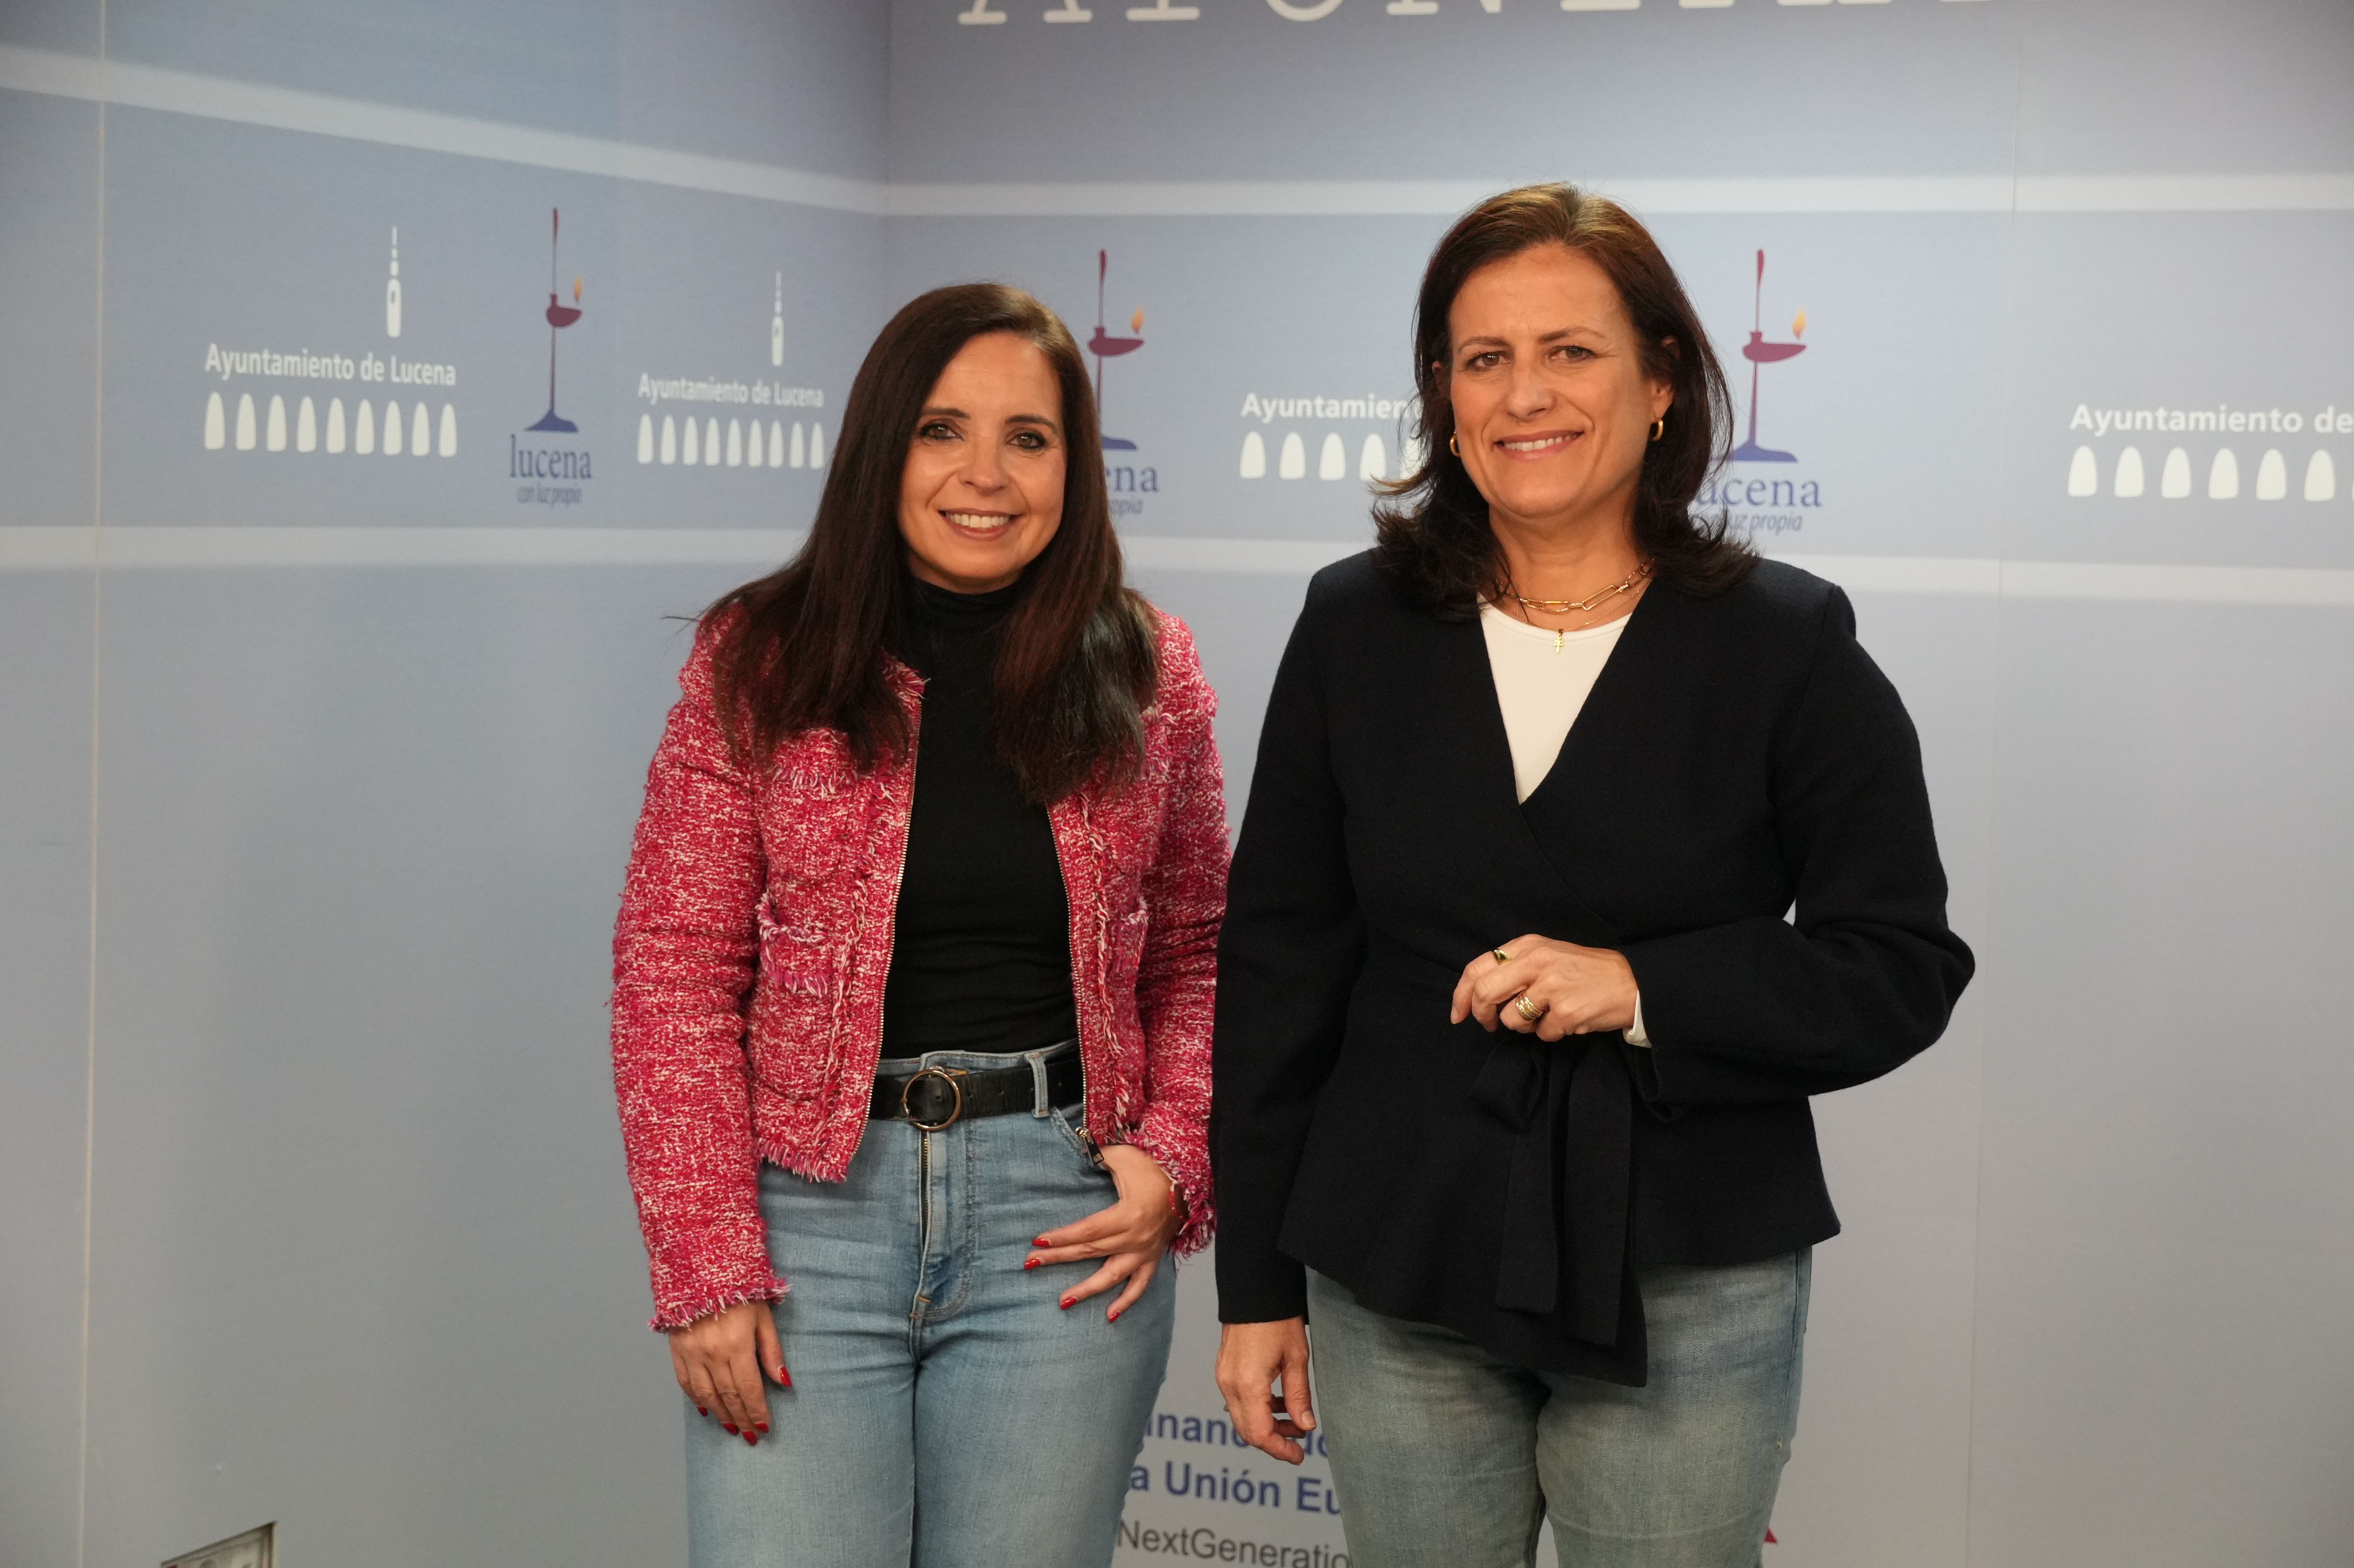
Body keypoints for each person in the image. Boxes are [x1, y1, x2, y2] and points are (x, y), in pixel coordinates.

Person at [1210, 185, 1975, 1568]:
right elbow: (1277, 968)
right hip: (1393, 1257)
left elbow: (1897, 964)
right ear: (1441, 396)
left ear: (1663, 380)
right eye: (1480, 358)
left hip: (1686, 1263)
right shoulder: (1351, 623)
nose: (1523, 395)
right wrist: (1254, 1281)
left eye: (1571, 351)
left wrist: (1640, 987)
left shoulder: (1784, 644)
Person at [612, 283, 1226, 1568]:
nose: (984, 475)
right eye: (941, 430)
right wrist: (707, 1260)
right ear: (879, 448)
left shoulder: (1144, 667)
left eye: (1030, 437)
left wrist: (1171, 1150)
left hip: (1057, 1225)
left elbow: (1198, 948)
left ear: (1076, 464)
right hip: (803, 1229)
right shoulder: (761, 659)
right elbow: (673, 966)